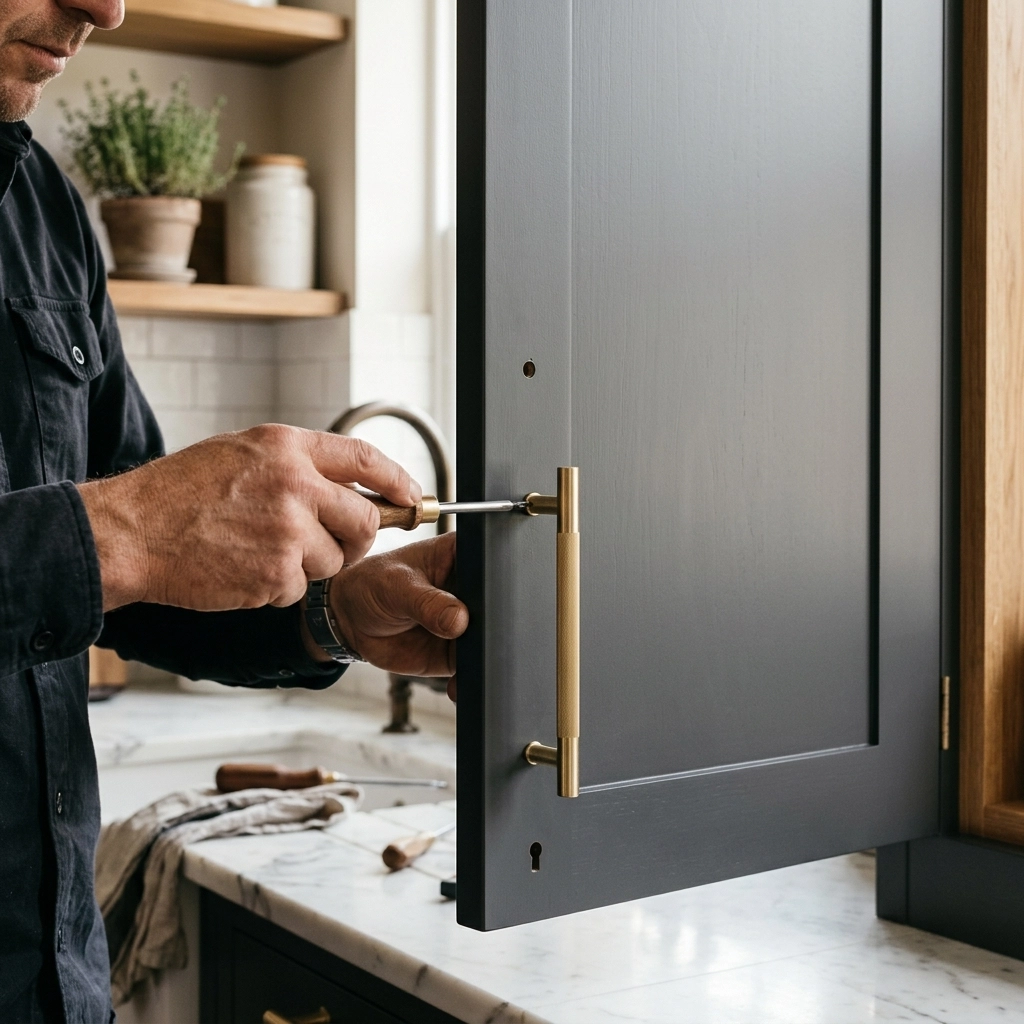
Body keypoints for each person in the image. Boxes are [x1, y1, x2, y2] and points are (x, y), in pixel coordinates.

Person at [0, 0, 469, 1020]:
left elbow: (130, 587)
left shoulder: (42, 209)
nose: (105, 8)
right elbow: (121, 541)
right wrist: (127, 528)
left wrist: (334, 613)